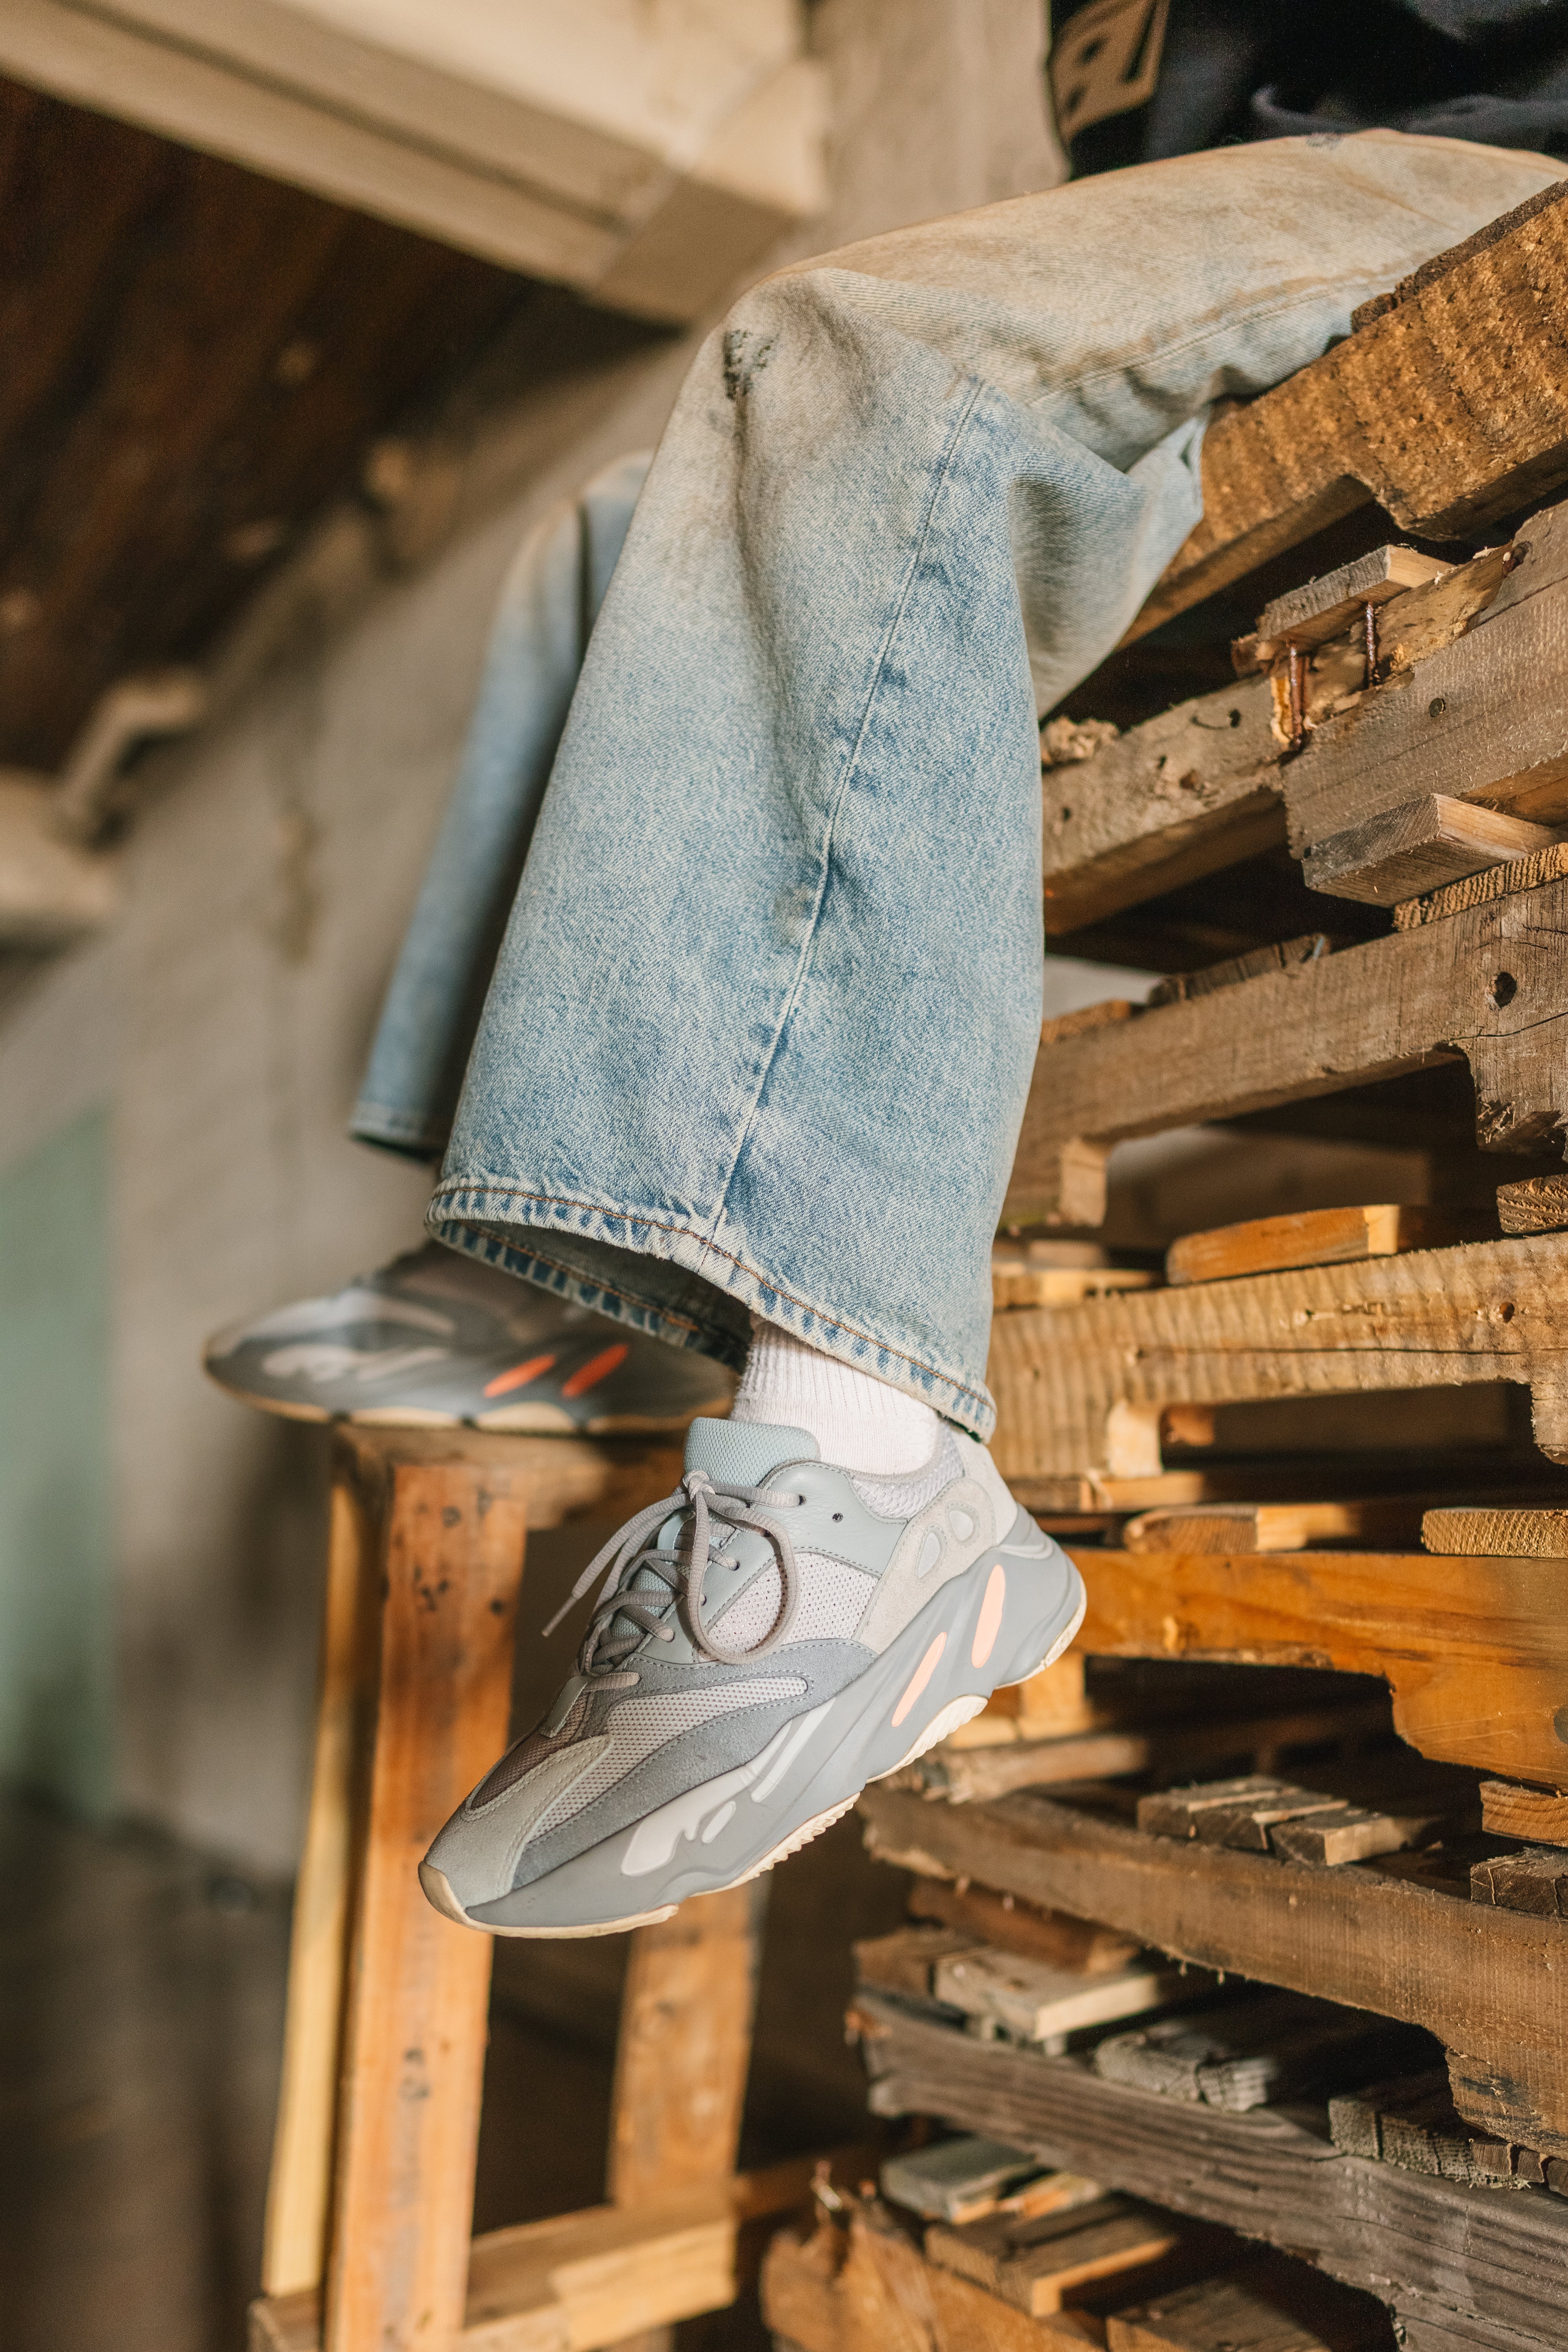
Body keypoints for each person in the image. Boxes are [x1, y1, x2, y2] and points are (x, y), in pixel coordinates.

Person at [213, 131, 1559, 1937]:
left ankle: (858, 1479)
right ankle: (581, 1270)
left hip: (1509, 150)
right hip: (1278, 181)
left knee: (844, 351)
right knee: (606, 535)